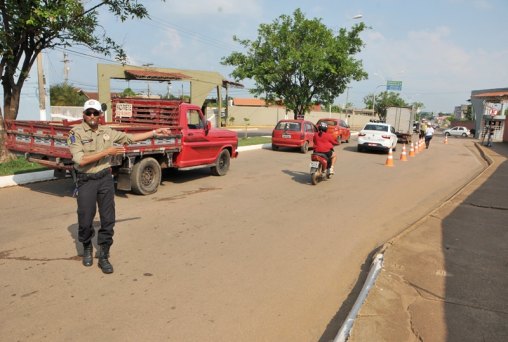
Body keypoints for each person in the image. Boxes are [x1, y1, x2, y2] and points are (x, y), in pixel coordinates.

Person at [68, 99, 171, 274]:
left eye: (95, 113)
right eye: (89, 113)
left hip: (105, 178)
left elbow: (130, 138)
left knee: (108, 219)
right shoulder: (75, 133)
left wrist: (155, 132)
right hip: (86, 179)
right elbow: (80, 160)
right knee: (85, 220)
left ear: (100, 115)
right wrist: (107, 152)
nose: (92, 116)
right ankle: (86, 246)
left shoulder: (106, 132)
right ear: (83, 115)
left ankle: (104, 255)